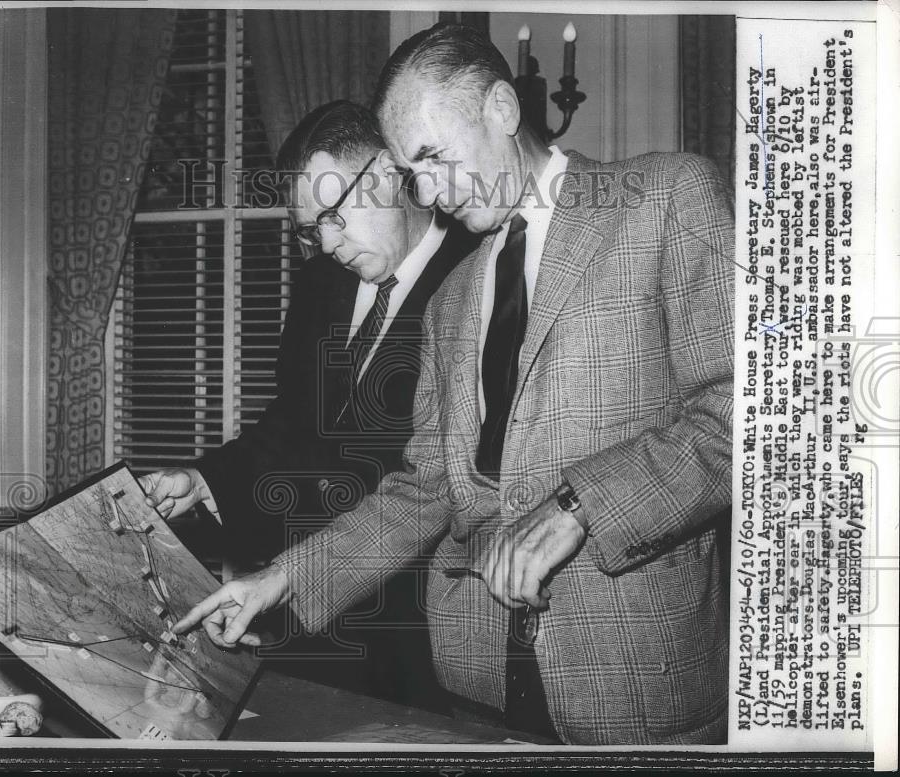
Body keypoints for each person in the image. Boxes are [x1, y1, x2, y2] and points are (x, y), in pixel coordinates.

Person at [175, 23, 734, 745]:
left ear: (501, 109)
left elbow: (743, 417)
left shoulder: (665, 199)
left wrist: (579, 505)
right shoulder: (452, 297)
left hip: (634, 679)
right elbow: (425, 489)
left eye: (435, 156)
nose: (431, 192)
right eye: (414, 172)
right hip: (478, 681)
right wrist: (282, 580)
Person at [139, 100, 480, 712]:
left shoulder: (479, 277)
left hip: (423, 632)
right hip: (304, 615)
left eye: (333, 215)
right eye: (311, 228)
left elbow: (444, 485)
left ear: (380, 174)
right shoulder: (323, 282)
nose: (325, 243)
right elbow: (290, 426)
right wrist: (205, 480)